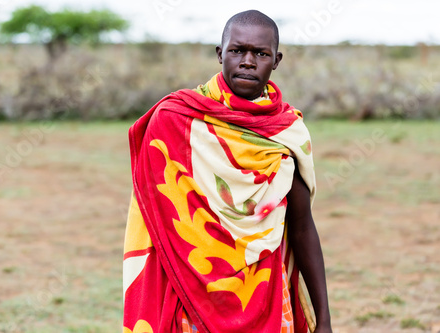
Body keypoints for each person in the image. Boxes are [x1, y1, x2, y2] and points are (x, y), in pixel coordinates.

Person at [123, 9, 332, 333]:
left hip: (266, 296)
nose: (248, 61)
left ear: (276, 60)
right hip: (190, 295)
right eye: (237, 51)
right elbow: (158, 223)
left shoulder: (287, 133)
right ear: (220, 54)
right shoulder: (175, 120)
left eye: (260, 53)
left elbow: (302, 226)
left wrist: (324, 320)